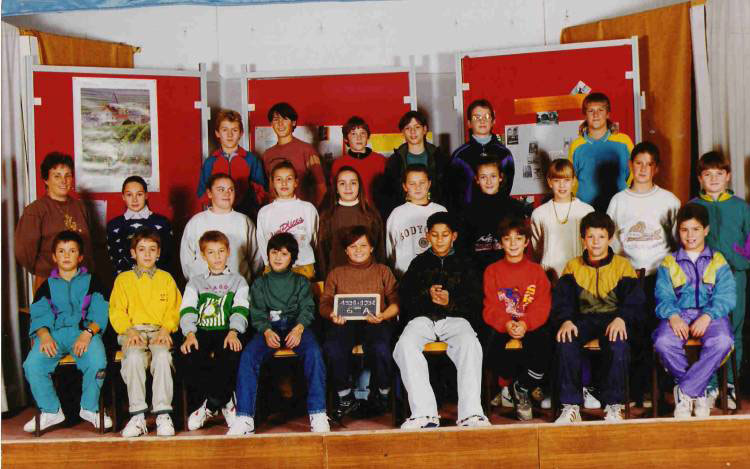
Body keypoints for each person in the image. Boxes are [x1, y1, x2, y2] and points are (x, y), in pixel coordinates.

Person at [394, 212, 490, 429]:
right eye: (435, 235)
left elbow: (476, 300)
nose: (439, 240)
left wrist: (450, 301)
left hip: (456, 319)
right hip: (423, 319)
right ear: (427, 235)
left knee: (470, 344)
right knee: (405, 345)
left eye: (445, 235)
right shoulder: (418, 263)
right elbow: (405, 298)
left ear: (453, 236)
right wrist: (427, 295)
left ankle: (471, 414)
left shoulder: (467, 263)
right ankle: (424, 413)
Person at [228, 233, 329, 435]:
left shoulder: (301, 282)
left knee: (315, 353)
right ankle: (244, 417)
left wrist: (299, 328)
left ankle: (318, 413)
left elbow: (307, 308)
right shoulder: (260, 283)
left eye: (284, 254)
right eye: (274, 252)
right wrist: (266, 330)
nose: (278, 257)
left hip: (296, 327)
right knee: (248, 356)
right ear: (268, 255)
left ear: (292, 257)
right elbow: (257, 312)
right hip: (269, 328)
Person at [606, 141, 680, 402]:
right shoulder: (619, 201)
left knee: (658, 332)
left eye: (649, 164)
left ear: (656, 168)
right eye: (639, 163)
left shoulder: (668, 200)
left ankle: (660, 390)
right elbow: (611, 241)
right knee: (633, 333)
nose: (643, 169)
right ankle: (636, 391)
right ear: (631, 165)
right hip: (629, 277)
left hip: (660, 277)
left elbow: (678, 241)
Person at [553, 212, 644, 423]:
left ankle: (614, 405)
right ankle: (571, 406)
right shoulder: (573, 266)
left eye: (601, 237)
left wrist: (622, 318)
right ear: (582, 239)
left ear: (610, 238)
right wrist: (566, 320)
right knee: (565, 339)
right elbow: (563, 300)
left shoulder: (622, 266)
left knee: (618, 342)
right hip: (582, 319)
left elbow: (635, 301)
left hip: (613, 319)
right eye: (590, 237)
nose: (595, 242)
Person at [22, 230, 111, 433]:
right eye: (61, 251)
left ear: (80, 257)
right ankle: (51, 411)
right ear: (54, 257)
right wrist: (44, 335)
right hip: (54, 333)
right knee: (32, 364)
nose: (67, 255)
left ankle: (90, 408)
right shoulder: (46, 286)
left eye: (72, 251)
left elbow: (101, 311)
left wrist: (88, 333)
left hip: (85, 332)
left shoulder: (93, 281)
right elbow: (39, 314)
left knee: (98, 361)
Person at [652, 204, 736, 418]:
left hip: (710, 314)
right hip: (678, 313)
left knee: (723, 341)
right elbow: (663, 295)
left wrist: (708, 316)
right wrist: (673, 316)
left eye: (696, 229)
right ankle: (698, 392)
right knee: (663, 342)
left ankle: (685, 392)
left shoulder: (718, 260)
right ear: (678, 231)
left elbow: (726, 295)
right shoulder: (669, 262)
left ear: (706, 230)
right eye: (684, 230)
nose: (690, 236)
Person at [320, 225, 399, 420]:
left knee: (381, 348)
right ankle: (345, 396)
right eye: (353, 246)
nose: (358, 250)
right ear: (346, 250)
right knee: (333, 347)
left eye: (363, 245)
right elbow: (324, 303)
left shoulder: (383, 271)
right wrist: (332, 314)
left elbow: (396, 302)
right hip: (344, 323)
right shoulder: (336, 273)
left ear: (371, 248)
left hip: (377, 321)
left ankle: (381, 393)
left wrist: (383, 315)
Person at [690, 151, 750, 408]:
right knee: (709, 329)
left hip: (735, 277)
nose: (713, 179)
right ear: (700, 178)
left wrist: (735, 258)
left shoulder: (741, 207)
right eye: (707, 174)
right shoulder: (693, 206)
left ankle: (731, 385)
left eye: (719, 173)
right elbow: (684, 243)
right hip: (703, 281)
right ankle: (712, 384)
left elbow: (749, 246)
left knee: (734, 330)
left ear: (728, 176)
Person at [109, 228, 182, 437]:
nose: (147, 254)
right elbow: (116, 310)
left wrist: (166, 328)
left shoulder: (166, 278)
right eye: (142, 249)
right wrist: (129, 330)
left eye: (152, 249)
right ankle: (138, 416)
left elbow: (175, 308)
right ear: (133, 253)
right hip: (133, 331)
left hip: (159, 331)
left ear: (158, 253)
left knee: (162, 356)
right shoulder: (123, 280)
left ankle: (162, 414)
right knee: (133, 357)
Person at [179, 230, 250, 431]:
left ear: (228, 252)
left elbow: (241, 308)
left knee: (230, 354)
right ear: (203, 256)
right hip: (201, 330)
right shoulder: (195, 282)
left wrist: (234, 331)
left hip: (227, 330)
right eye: (211, 252)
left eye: (221, 251)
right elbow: (188, 309)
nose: (217, 257)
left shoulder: (238, 281)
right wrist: (189, 334)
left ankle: (210, 406)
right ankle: (226, 401)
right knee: (189, 355)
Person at [483, 218, 551, 421]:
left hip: (529, 324)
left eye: (518, 238)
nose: (513, 244)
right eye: (507, 239)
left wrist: (525, 323)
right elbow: (490, 307)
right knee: (487, 342)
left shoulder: (536, 271)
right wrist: (506, 323)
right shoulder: (492, 271)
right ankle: (504, 386)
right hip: (502, 325)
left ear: (526, 242)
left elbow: (542, 306)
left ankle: (522, 387)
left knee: (546, 342)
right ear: (500, 243)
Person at [15, 152, 94, 291]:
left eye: (67, 175)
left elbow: (89, 246)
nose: (63, 181)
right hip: (50, 280)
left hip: (81, 279)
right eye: (57, 176)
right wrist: (44, 269)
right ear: (46, 180)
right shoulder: (35, 210)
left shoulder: (80, 207)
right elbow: (23, 252)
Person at [181, 173, 262, 282]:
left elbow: (256, 258)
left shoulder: (244, 221)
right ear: (209, 193)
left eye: (231, 190)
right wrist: (196, 283)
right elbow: (186, 260)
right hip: (204, 287)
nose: (227, 193)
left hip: (237, 287)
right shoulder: (196, 222)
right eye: (221, 189)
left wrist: (246, 281)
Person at [568, 92, 634, 212]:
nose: (596, 115)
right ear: (585, 115)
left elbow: (632, 174)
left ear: (608, 114)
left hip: (618, 208)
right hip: (586, 210)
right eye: (591, 111)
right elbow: (572, 179)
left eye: (600, 110)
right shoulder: (576, 145)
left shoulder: (624, 141)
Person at [531, 159, 594, 281]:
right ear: (549, 182)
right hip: (549, 276)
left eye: (566, 180)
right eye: (556, 180)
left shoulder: (587, 211)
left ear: (574, 181)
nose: (562, 185)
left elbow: (592, 247)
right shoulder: (539, 213)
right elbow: (537, 249)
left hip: (579, 275)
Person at [317, 166, 385, 278]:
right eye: (342, 183)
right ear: (336, 188)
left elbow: (380, 251)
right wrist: (325, 279)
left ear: (359, 186)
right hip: (337, 277)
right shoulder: (327, 217)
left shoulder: (371, 215)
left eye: (353, 183)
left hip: (368, 277)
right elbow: (322, 253)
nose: (348, 187)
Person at [197, 109, 267, 219]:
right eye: (225, 130)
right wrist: (218, 205)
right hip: (218, 215)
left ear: (241, 133)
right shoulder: (210, 162)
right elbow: (202, 193)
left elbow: (261, 191)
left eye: (234, 130)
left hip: (245, 214)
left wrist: (249, 205)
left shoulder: (251, 160)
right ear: (217, 133)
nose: (229, 135)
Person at [462, 155, 526, 273]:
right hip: (477, 271)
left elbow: (521, 242)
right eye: (483, 177)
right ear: (477, 179)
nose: (489, 182)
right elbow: (464, 246)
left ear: (500, 177)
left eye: (493, 176)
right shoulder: (468, 209)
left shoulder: (515, 207)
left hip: (508, 270)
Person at [256, 160, 319, 280]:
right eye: (279, 179)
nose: (284, 183)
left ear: (296, 182)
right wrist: (269, 264)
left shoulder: (308, 208)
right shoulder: (265, 212)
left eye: (289, 179)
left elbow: (314, 239)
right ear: (272, 183)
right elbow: (262, 242)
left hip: (303, 265)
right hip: (275, 266)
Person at [383, 110, 452, 218]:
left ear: (424, 130)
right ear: (402, 133)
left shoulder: (440, 158)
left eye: (417, 127)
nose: (413, 132)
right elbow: (389, 194)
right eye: (408, 128)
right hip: (405, 215)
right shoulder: (395, 161)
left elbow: (448, 191)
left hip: (435, 214)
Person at [386, 165, 447, 278]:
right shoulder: (397, 214)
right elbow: (390, 252)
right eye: (412, 183)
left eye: (422, 183)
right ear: (405, 186)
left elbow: (449, 248)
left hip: (437, 278)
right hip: (405, 278)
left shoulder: (441, 211)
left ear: (429, 184)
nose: (417, 187)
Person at [451, 99, 515, 206]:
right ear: (469, 123)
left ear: (493, 121)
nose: (482, 121)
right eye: (477, 117)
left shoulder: (504, 154)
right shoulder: (459, 156)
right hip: (468, 213)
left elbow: (507, 187)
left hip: (498, 211)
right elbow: (453, 191)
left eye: (487, 117)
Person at [261, 102, 326, 205]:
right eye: (276, 119)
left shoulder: (307, 150)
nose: (280, 123)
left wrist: (314, 211)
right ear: (271, 124)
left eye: (285, 119)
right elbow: (269, 188)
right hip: (276, 210)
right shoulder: (267, 155)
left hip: (300, 211)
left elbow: (321, 186)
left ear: (293, 122)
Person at [107, 175, 174, 275]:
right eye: (129, 195)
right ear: (123, 197)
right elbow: (114, 260)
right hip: (126, 280)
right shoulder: (114, 225)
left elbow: (168, 259)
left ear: (146, 195)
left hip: (156, 280)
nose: (134, 200)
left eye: (139, 194)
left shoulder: (162, 223)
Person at [330, 116, 388, 212]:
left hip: (376, 212)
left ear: (368, 137)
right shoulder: (338, 164)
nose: (359, 137)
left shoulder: (381, 160)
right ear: (346, 139)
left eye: (362, 133)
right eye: (353, 134)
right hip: (349, 212)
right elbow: (334, 195)